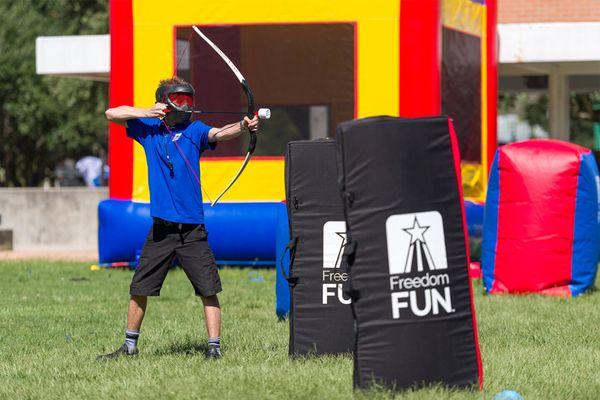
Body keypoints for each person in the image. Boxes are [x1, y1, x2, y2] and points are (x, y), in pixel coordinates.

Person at [97, 76, 259, 360]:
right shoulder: (148, 130)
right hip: (161, 230)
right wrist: (148, 111)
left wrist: (245, 126)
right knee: (139, 288)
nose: (186, 106)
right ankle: (129, 348)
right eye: (180, 100)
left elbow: (219, 133)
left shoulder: (194, 130)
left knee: (208, 289)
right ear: (165, 101)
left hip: (192, 230)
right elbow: (112, 113)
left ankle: (214, 349)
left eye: (189, 100)